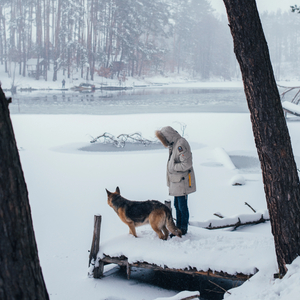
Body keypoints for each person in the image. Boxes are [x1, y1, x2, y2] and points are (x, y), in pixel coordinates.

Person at [155, 126, 196, 235]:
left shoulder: (180, 144)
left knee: (182, 206)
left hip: (182, 182)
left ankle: (183, 228)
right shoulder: (174, 145)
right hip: (176, 182)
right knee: (178, 206)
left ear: (168, 136)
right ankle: (178, 227)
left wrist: (173, 168)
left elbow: (187, 164)